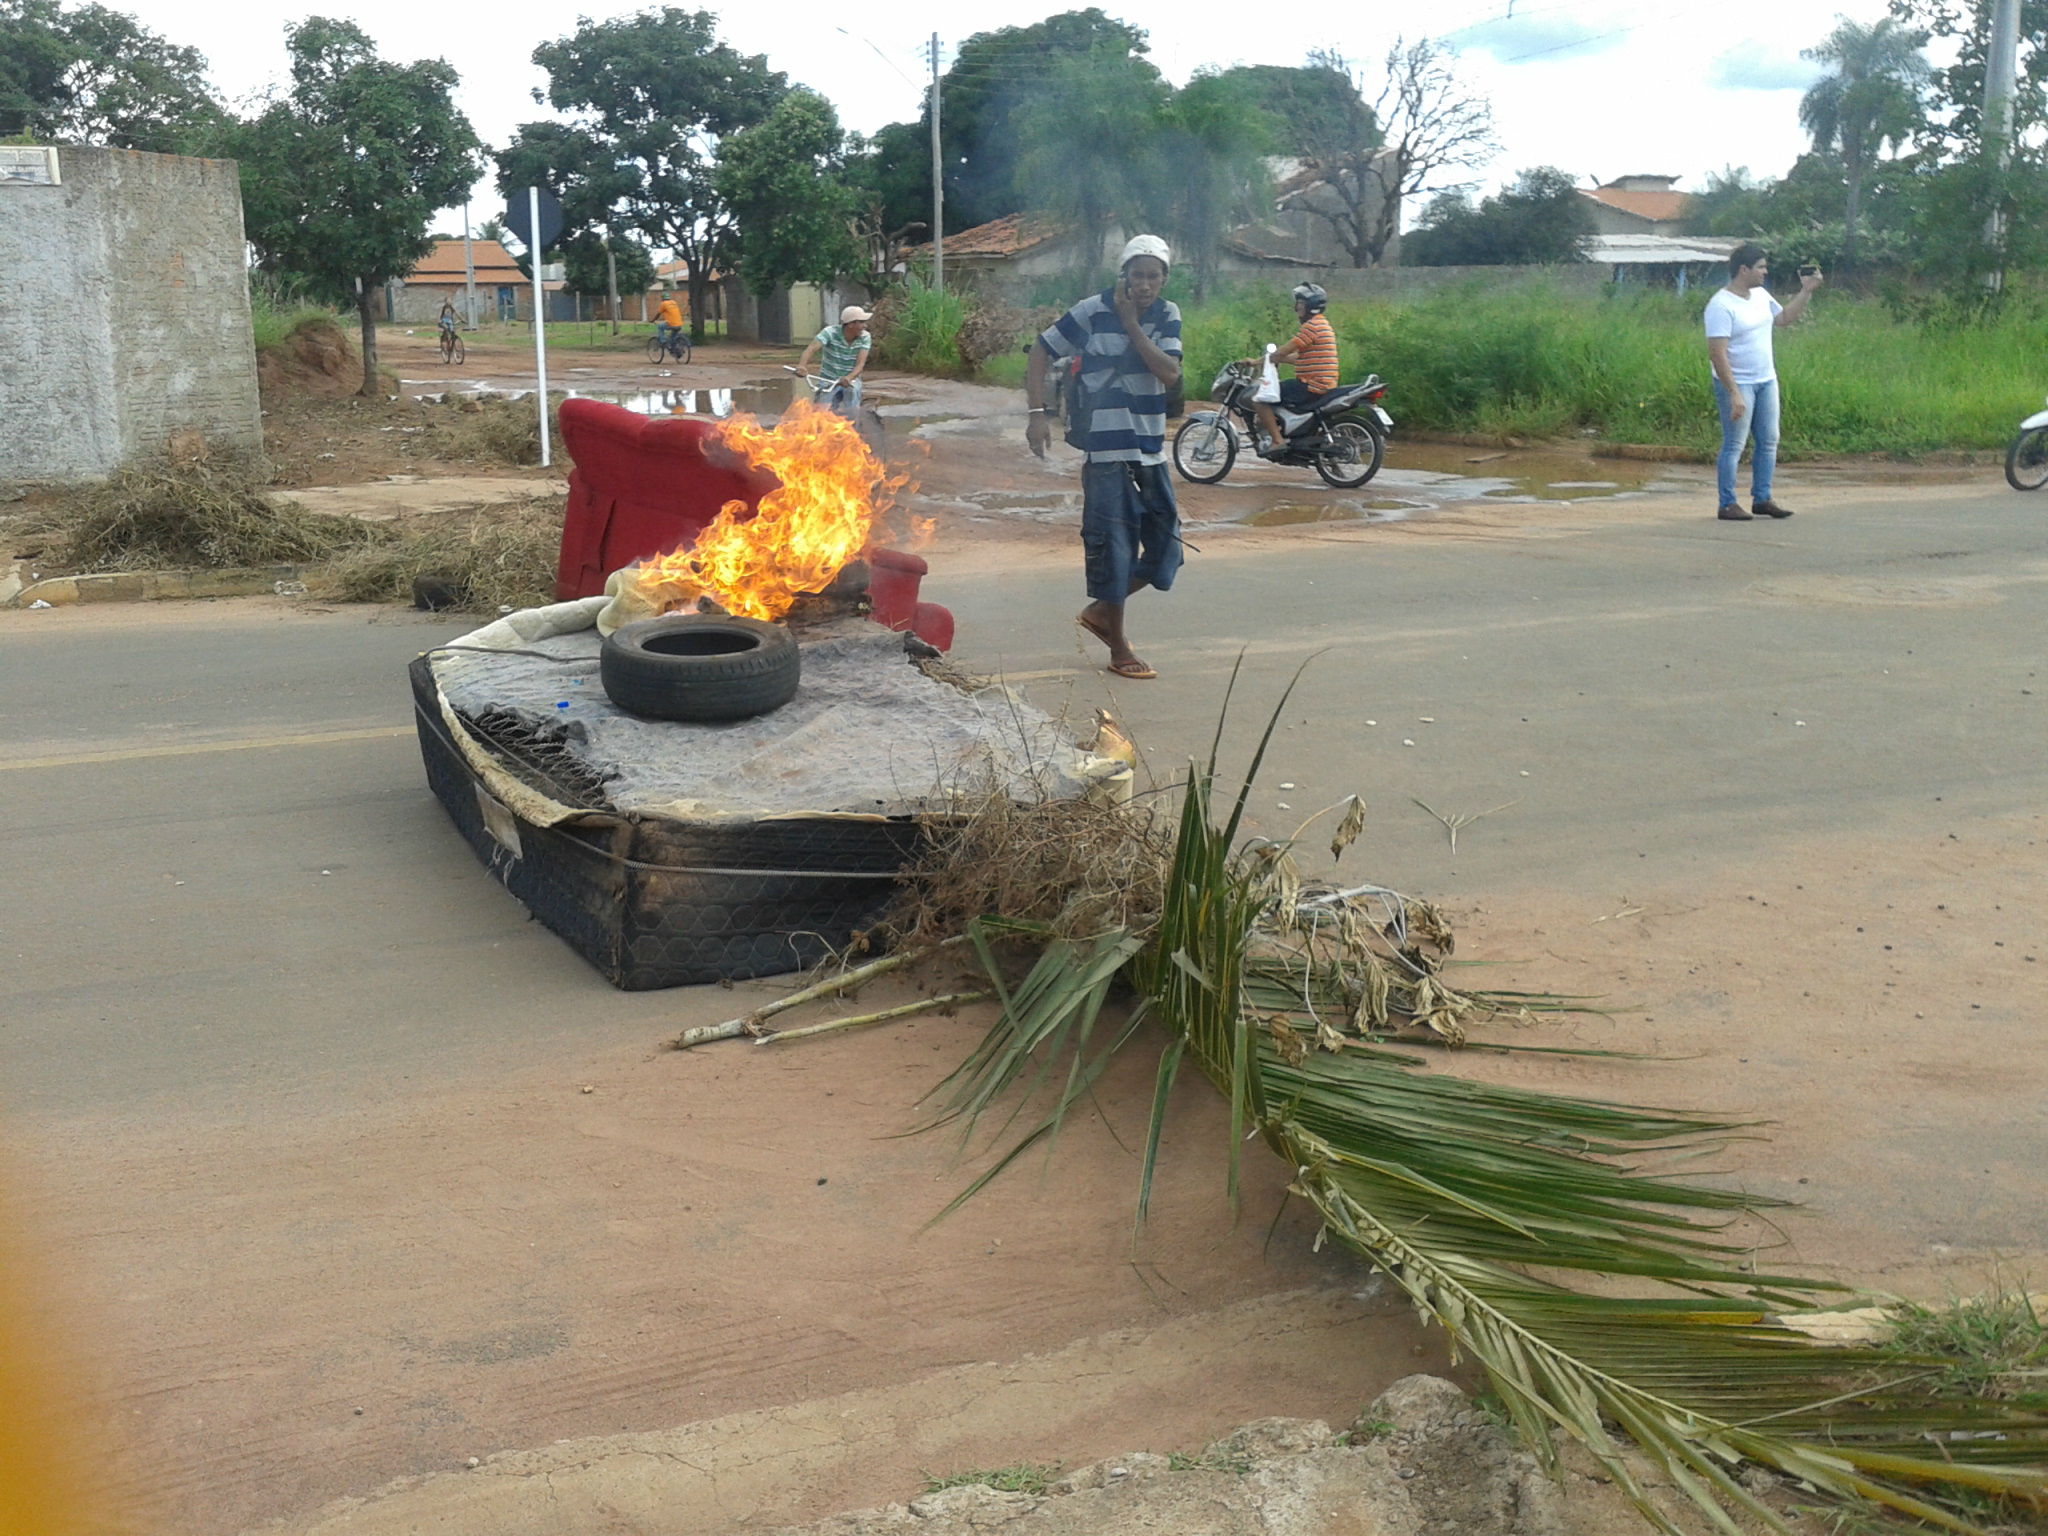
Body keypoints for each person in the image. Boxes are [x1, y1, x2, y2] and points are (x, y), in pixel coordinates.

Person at [1026, 234, 1184, 681]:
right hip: (1105, 450)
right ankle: (1118, 647)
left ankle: (1099, 612)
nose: (1145, 285)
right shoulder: (1091, 310)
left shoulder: (1167, 315)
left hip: (1150, 450)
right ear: (1124, 275)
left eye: (1154, 277)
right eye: (1138, 275)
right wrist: (1037, 414)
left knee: (1166, 549)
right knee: (1115, 547)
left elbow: (1169, 373)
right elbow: (1041, 350)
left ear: (1164, 279)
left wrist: (1132, 324)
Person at [1705, 244, 1821, 521]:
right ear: (1743, 270)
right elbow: (1717, 353)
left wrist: (1806, 291)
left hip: (1766, 379)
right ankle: (1727, 503)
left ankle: (1762, 498)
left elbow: (1782, 319)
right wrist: (1733, 393)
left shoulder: (1760, 295)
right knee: (1735, 444)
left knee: (1769, 440)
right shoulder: (1720, 305)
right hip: (1739, 382)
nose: (1765, 272)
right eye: (1760, 267)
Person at [1245, 283, 1340, 457]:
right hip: (1324, 383)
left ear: (1311, 306)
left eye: (1301, 304)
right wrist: (1279, 358)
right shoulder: (1323, 325)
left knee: (1259, 399)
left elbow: (1285, 350)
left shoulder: (1311, 327)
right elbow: (1300, 357)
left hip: (1311, 385)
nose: (1297, 308)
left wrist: (1255, 362)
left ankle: (1277, 440)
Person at [798, 306, 873, 410]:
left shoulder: (865, 337)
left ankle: (854, 422)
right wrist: (802, 366)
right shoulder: (830, 333)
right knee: (822, 412)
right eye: (861, 322)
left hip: (851, 380)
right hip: (827, 379)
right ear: (850, 324)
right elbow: (811, 349)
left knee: (852, 408)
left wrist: (849, 378)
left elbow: (860, 364)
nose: (865, 326)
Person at [654, 290, 685, 355]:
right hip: (679, 324)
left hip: (671, 323)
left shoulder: (663, 304)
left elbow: (658, 314)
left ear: (662, 298)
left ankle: (663, 341)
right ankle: (674, 349)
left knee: (660, 327)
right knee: (672, 337)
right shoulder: (674, 302)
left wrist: (652, 320)